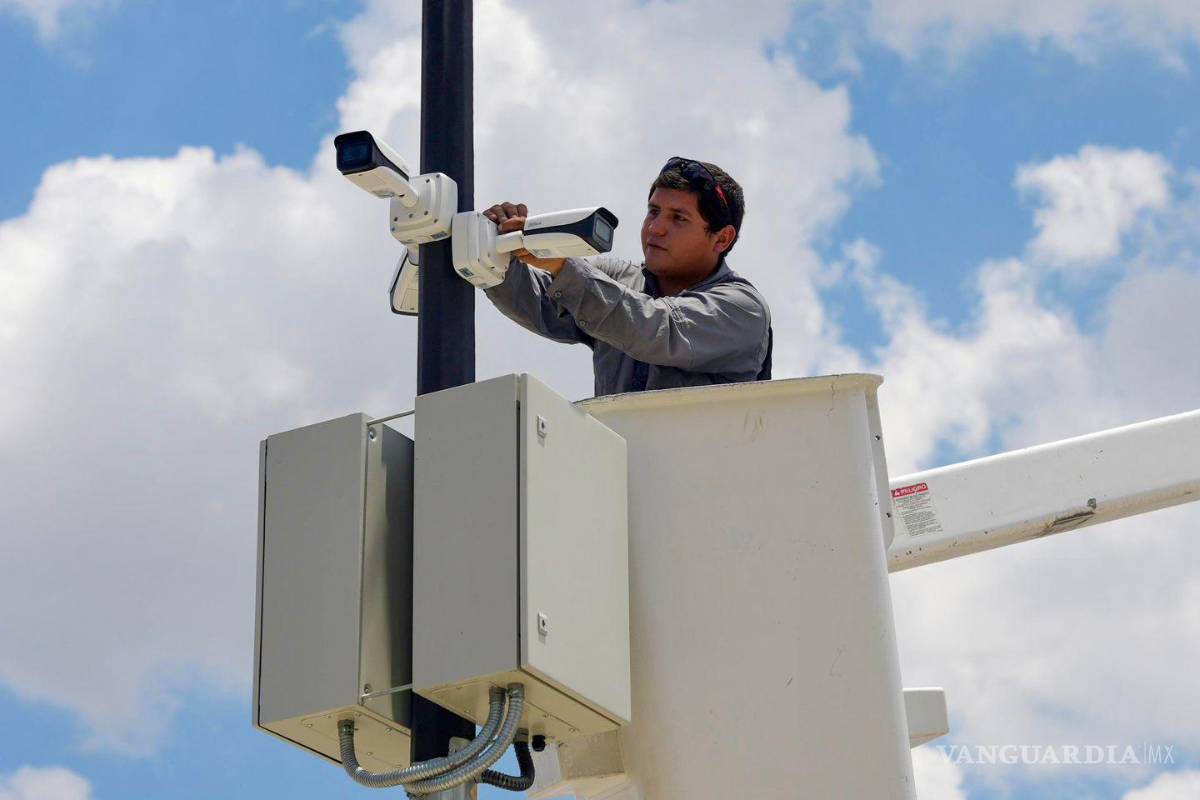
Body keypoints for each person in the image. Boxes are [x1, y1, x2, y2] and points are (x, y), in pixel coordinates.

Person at [483, 157, 772, 397]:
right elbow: (538, 302)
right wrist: (494, 248)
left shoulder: (743, 308)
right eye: (654, 211)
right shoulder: (617, 279)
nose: (655, 228)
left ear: (722, 239)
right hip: (614, 464)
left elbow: (658, 328)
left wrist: (563, 266)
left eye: (679, 218)